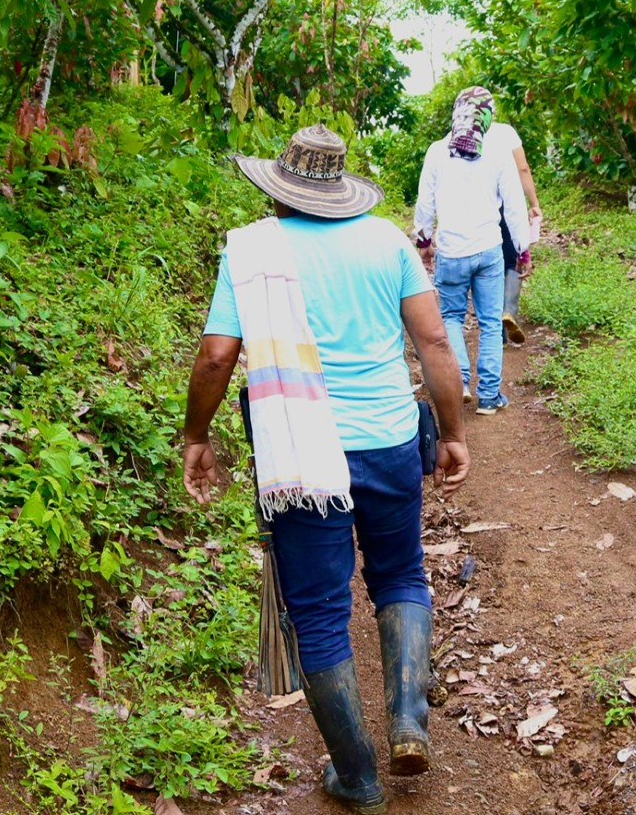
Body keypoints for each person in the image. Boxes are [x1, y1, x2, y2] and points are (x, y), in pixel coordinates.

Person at [182, 125, 469, 814]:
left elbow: (218, 355)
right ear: (341, 192)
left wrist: (196, 433)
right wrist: (452, 432)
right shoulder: (388, 241)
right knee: (401, 574)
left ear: (278, 190)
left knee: (317, 610)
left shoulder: (250, 251)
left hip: (298, 453)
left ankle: (359, 776)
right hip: (389, 440)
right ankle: (408, 718)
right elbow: (432, 340)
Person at [412, 86, 531, 416]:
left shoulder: (437, 151)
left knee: (451, 317)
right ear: (488, 119)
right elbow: (514, 208)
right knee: (490, 322)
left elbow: (425, 204)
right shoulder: (498, 154)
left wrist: (423, 241)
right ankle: (489, 396)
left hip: (451, 251)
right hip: (489, 250)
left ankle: (461, 382)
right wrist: (522, 249)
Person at [481, 108, 542, 346]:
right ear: (492, 112)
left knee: (489, 264)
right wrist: (534, 203)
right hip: (509, 202)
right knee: (513, 259)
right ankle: (509, 311)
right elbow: (523, 168)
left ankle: (495, 329)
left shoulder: (465, 134)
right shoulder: (506, 132)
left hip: (483, 207)